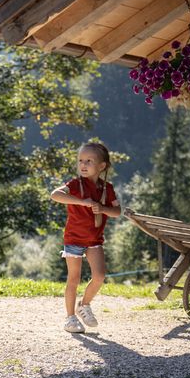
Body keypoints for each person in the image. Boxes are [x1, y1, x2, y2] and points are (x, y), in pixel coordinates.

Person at [50, 141, 121, 334]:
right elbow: (55, 195)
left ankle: (84, 305)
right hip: (73, 239)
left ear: (101, 166)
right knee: (74, 279)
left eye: (89, 161)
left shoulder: (107, 189)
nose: (83, 164)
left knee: (99, 276)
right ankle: (70, 319)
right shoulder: (74, 185)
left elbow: (117, 211)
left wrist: (103, 208)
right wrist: (82, 202)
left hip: (94, 240)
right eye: (81, 160)